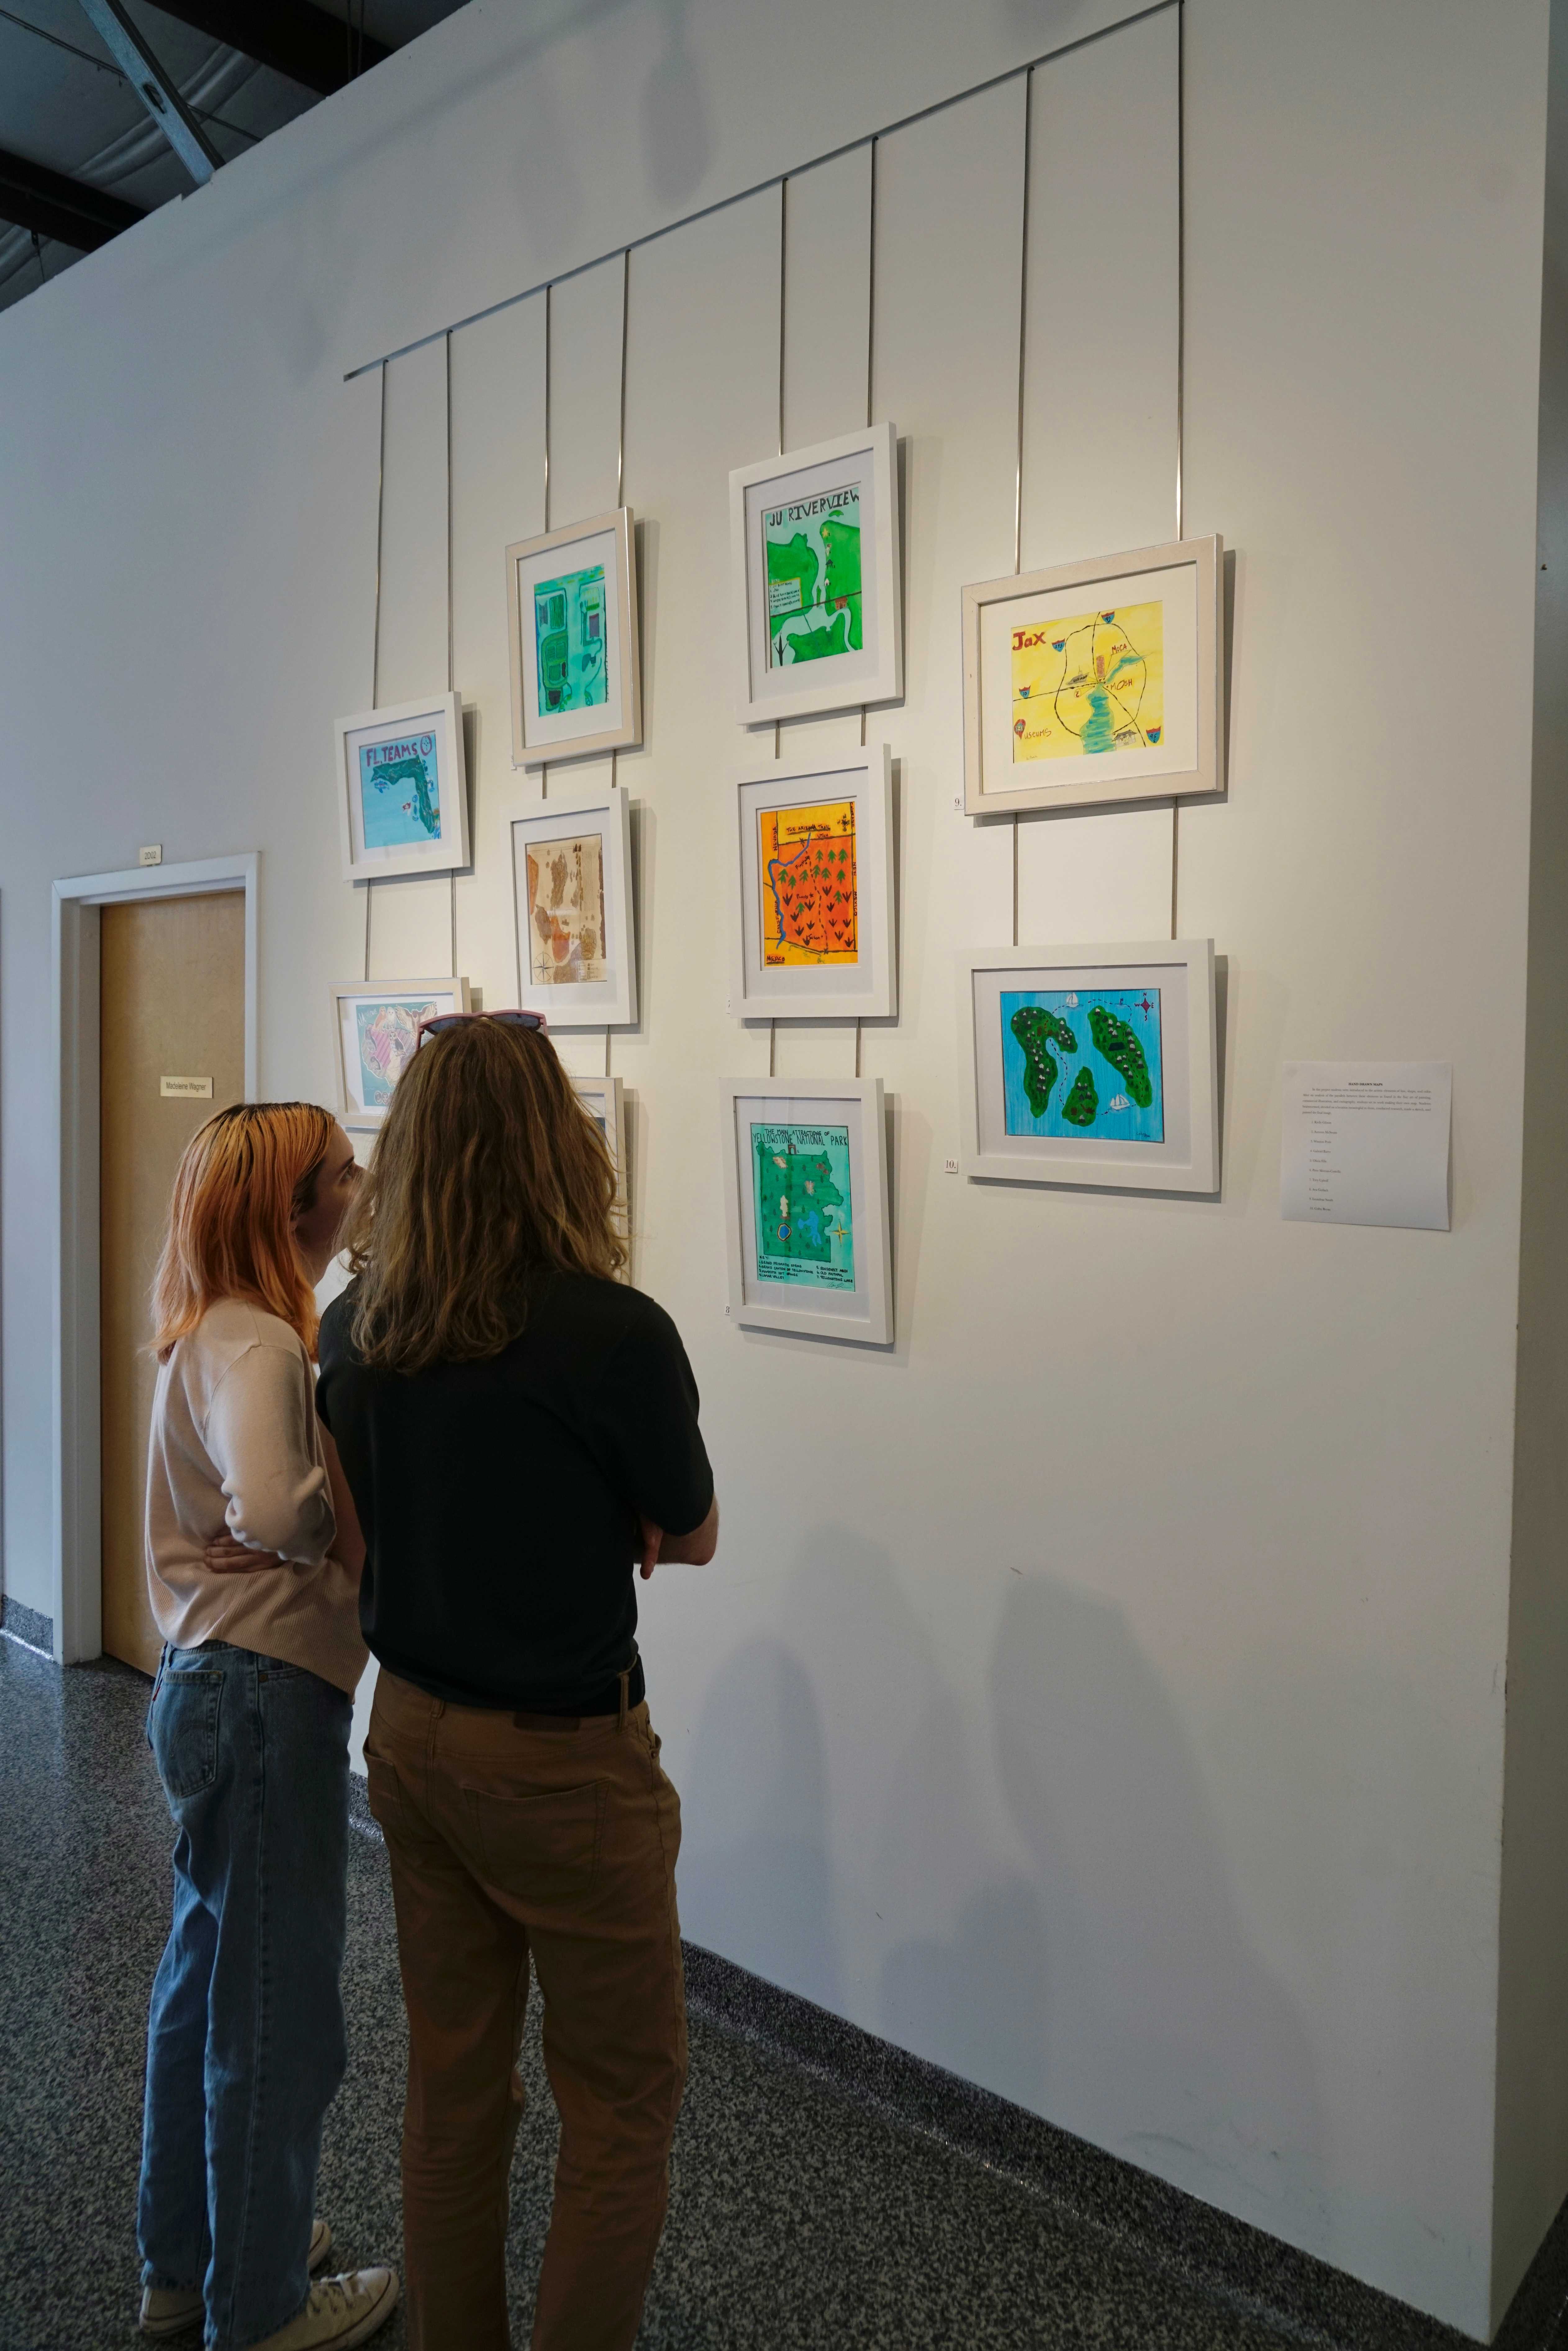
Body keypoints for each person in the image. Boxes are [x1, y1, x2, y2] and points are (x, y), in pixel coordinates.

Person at [316, 1012, 718, 2351]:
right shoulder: (612, 1334)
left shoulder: (354, 1328)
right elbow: (694, 1529)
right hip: (567, 1765)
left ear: (412, 1149)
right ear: (560, 1143)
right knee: (617, 2105)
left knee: (453, 2085)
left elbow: (362, 1531)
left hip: (415, 1739)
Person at [137, 1102, 399, 2351]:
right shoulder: (258, 1344)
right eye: (346, 1175)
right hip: (260, 1695)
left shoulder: (205, 1329)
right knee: (280, 2016)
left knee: (205, 1985)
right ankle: (258, 2309)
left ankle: (189, 2260)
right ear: (296, 1210)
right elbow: (277, 1509)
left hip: (202, 1683)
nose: (361, 1191)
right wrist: (308, 1519)